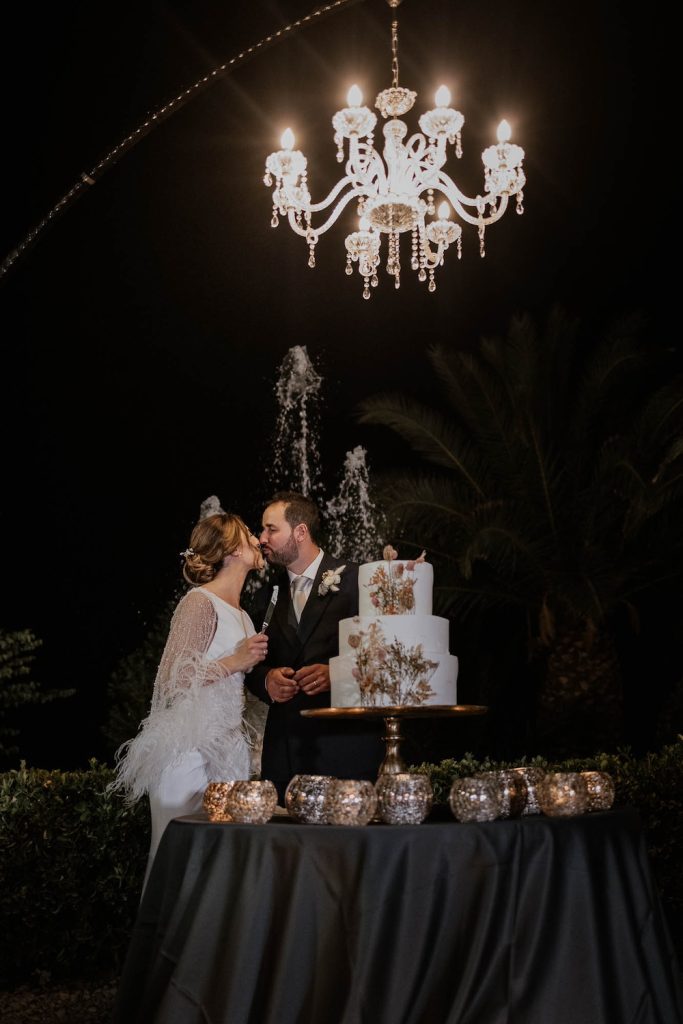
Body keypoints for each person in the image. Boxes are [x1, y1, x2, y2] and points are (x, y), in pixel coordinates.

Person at [112, 509, 268, 887]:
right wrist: (237, 660)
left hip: (228, 753)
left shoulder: (243, 616)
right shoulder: (199, 602)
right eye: (249, 535)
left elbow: (232, 688)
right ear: (231, 549)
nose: (258, 541)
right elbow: (173, 680)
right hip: (189, 752)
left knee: (221, 866)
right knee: (180, 861)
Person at [247, 490, 382, 802]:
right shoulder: (265, 594)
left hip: (346, 743)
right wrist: (266, 680)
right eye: (262, 529)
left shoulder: (357, 580)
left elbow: (385, 651)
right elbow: (250, 665)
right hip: (285, 750)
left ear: (301, 531)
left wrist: (338, 673)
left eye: (271, 529)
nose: (261, 538)